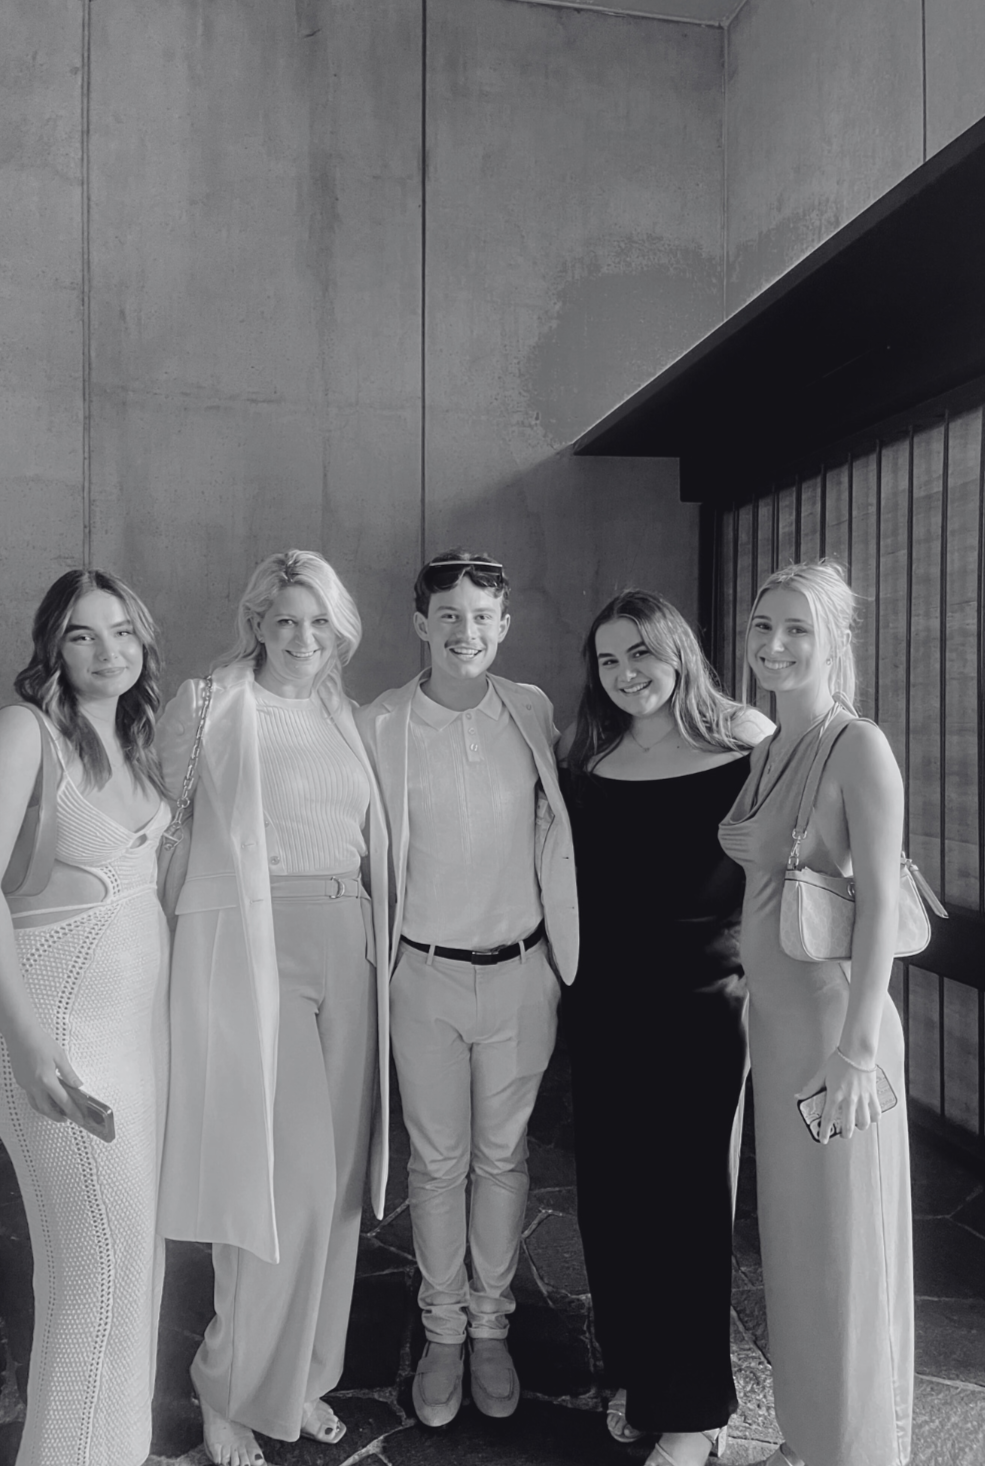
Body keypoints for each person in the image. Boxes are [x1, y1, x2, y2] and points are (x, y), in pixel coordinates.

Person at [156, 550, 390, 1466]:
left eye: (319, 622)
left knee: (332, 1192)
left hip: (351, 940)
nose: (303, 637)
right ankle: (227, 1387)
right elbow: (159, 826)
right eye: (285, 619)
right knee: (275, 1182)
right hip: (255, 945)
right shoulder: (208, 704)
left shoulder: (346, 712)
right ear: (256, 621)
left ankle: (300, 1381)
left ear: (340, 630)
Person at [0, 569, 170, 1466]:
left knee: (129, 1272)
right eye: (81, 635)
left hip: (134, 1040)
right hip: (59, 1036)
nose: (105, 651)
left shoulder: (138, 741)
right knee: (98, 1286)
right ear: (52, 647)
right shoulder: (20, 733)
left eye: (121, 632)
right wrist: (35, 1046)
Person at [355, 549, 578, 1427]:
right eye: (447, 615)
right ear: (419, 624)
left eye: (481, 616)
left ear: (504, 626)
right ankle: (442, 1331)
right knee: (437, 1161)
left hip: (522, 972)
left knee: (504, 1158)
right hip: (424, 975)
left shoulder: (531, 710)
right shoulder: (382, 723)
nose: (465, 632)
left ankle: (492, 1327)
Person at [558, 589, 771, 1466]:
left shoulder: (745, 743)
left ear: (677, 651)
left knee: (686, 1205)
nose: (625, 674)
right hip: (603, 1004)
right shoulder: (588, 757)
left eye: (640, 652)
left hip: (700, 1005)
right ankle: (635, 1369)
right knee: (611, 1200)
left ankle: (693, 1408)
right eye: (607, 660)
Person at [719, 559, 914, 1466]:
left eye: (796, 628)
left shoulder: (857, 746)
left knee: (845, 1254)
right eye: (762, 626)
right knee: (796, 1251)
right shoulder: (764, 747)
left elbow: (879, 902)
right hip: (778, 1027)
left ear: (834, 639)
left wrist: (856, 1052)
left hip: (839, 1033)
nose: (773, 645)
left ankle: (855, 1449)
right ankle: (809, 1435)